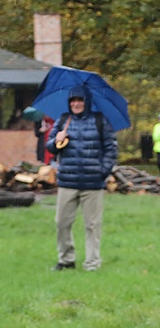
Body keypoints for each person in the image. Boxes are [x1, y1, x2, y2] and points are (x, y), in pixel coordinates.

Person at [46, 85, 118, 272]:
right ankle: (66, 259)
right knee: (61, 223)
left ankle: (92, 263)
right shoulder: (63, 120)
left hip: (92, 184)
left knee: (92, 225)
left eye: (80, 100)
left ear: (86, 103)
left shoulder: (100, 120)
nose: (76, 104)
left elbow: (111, 148)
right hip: (67, 182)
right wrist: (56, 140)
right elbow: (50, 147)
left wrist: (102, 171)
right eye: (73, 100)